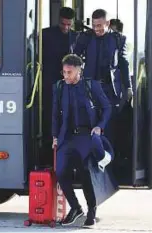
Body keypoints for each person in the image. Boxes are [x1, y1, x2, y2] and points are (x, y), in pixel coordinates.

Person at [52, 54, 112, 226]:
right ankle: (75, 207)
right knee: (61, 172)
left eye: (69, 72)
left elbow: (107, 108)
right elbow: (55, 114)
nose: (66, 76)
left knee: (86, 174)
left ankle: (91, 211)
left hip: (86, 137)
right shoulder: (59, 87)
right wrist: (55, 136)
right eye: (64, 72)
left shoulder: (91, 86)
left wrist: (100, 126)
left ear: (79, 70)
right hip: (67, 137)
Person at [72, 9, 132, 146]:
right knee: (89, 124)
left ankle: (108, 160)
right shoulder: (85, 37)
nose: (96, 29)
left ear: (108, 23)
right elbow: (74, 58)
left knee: (109, 127)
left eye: (99, 25)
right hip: (90, 88)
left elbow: (124, 65)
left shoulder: (118, 39)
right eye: (94, 25)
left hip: (110, 90)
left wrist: (128, 87)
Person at [42, 7, 77, 164]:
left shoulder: (76, 37)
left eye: (68, 24)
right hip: (50, 83)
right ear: (59, 20)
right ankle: (48, 153)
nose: (66, 27)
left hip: (69, 84)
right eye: (63, 24)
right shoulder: (46, 34)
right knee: (51, 116)